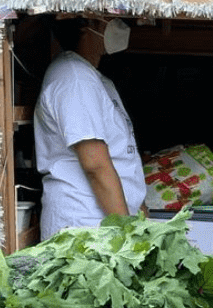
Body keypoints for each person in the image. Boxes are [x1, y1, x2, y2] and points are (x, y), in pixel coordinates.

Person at [34, 16, 147, 240]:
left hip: (103, 230)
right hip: (87, 231)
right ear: (86, 25)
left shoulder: (91, 77)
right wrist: (126, 235)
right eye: (107, 17)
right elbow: (95, 164)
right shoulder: (74, 78)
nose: (119, 22)